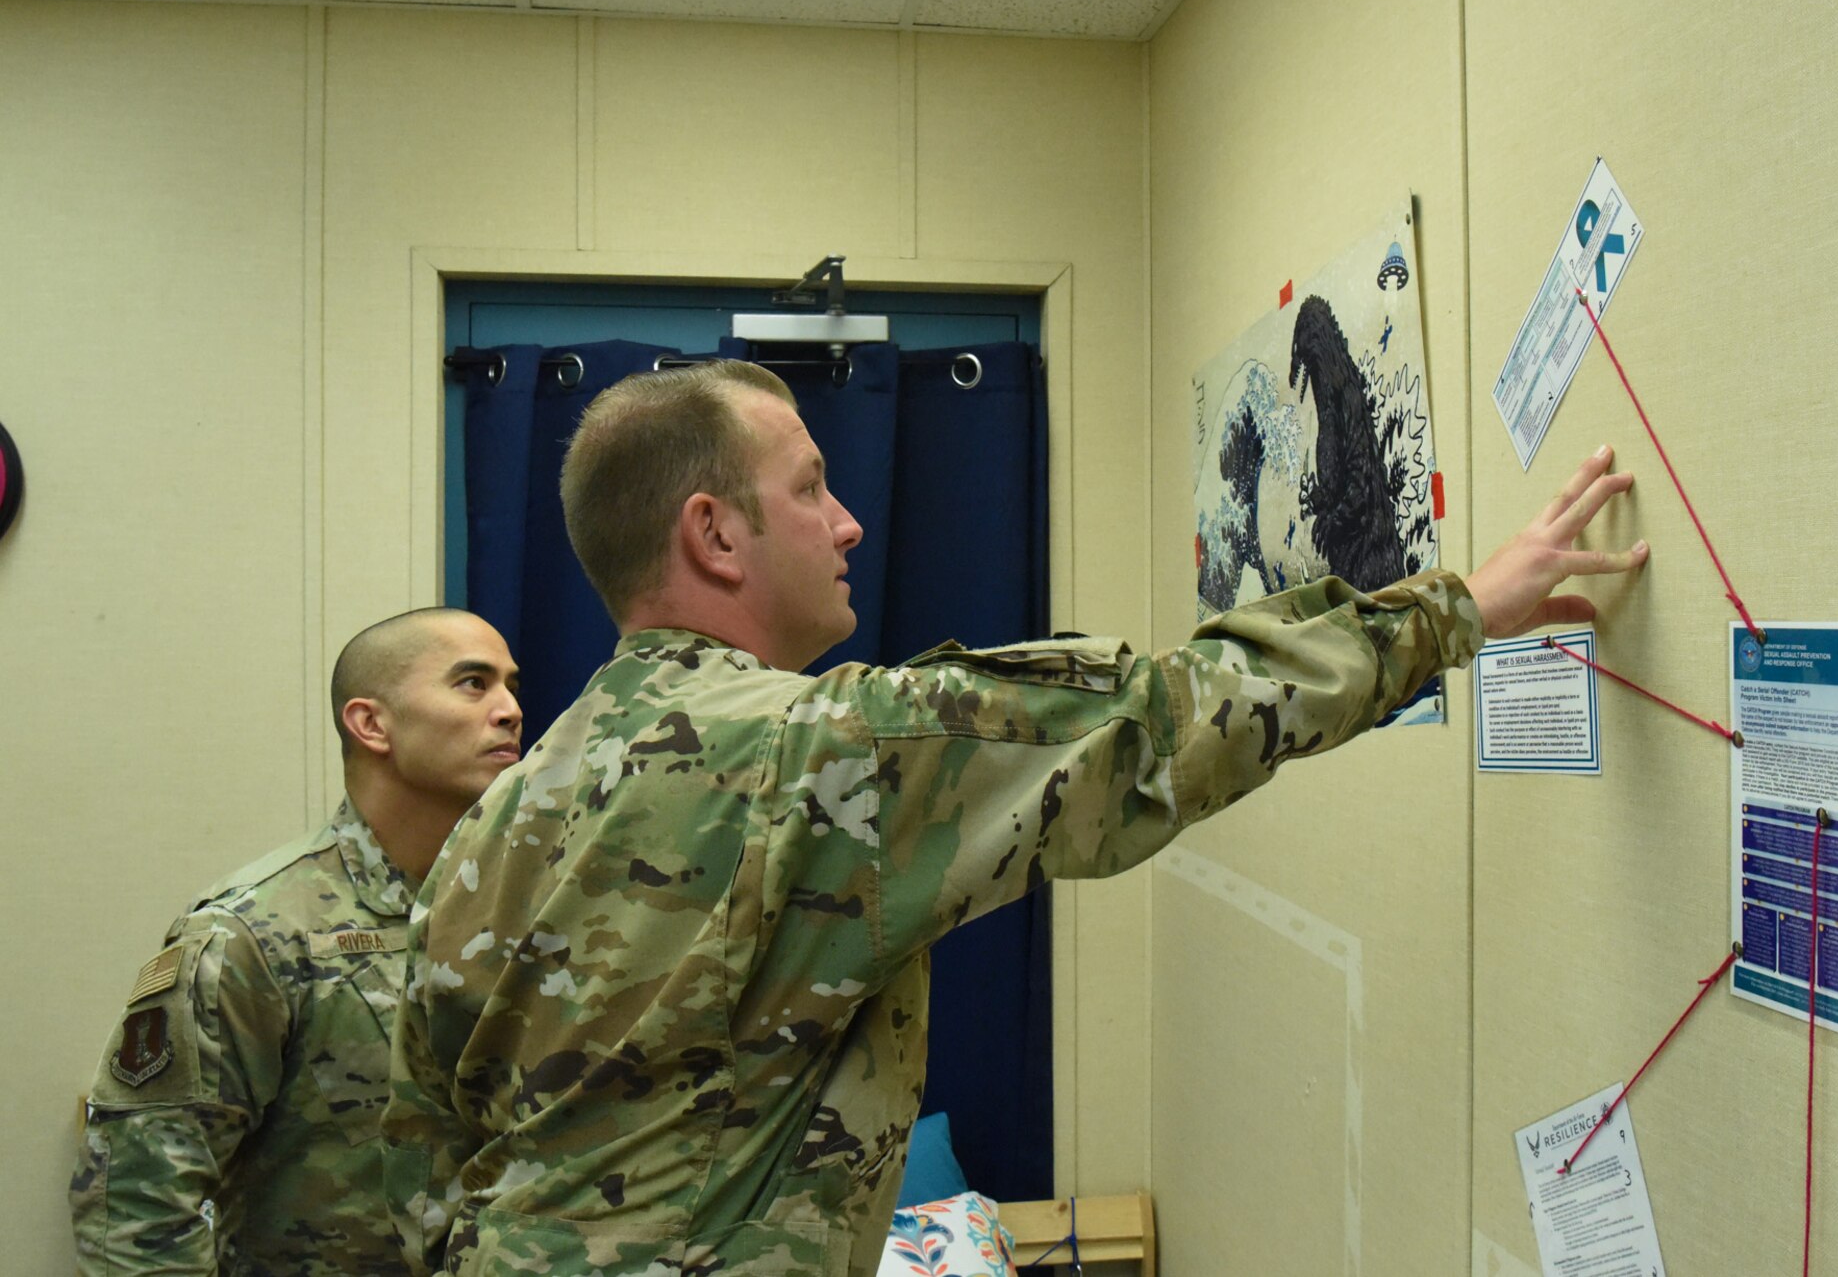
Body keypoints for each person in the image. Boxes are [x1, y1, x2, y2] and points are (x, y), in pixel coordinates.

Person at [381, 361, 1646, 1277]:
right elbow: (1160, 719)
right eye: (810, 486)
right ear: (713, 533)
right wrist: (1458, 607)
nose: (848, 520)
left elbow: (423, 1146)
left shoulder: (503, 812)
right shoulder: (808, 753)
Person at [71, 609, 523, 1275]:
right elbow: (139, 1204)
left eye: (512, 685)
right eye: (472, 683)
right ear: (372, 724)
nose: (510, 710)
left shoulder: (520, 913)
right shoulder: (252, 932)